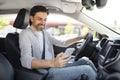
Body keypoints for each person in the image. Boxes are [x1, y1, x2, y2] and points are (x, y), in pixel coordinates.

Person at [19, 5, 97, 80]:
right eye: (39, 19)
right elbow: (25, 61)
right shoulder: (25, 34)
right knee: (87, 70)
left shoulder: (44, 33)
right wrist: (53, 63)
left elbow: (62, 43)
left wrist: (81, 37)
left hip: (54, 67)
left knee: (86, 61)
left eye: (45, 19)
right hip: (46, 73)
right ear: (31, 18)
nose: (43, 22)